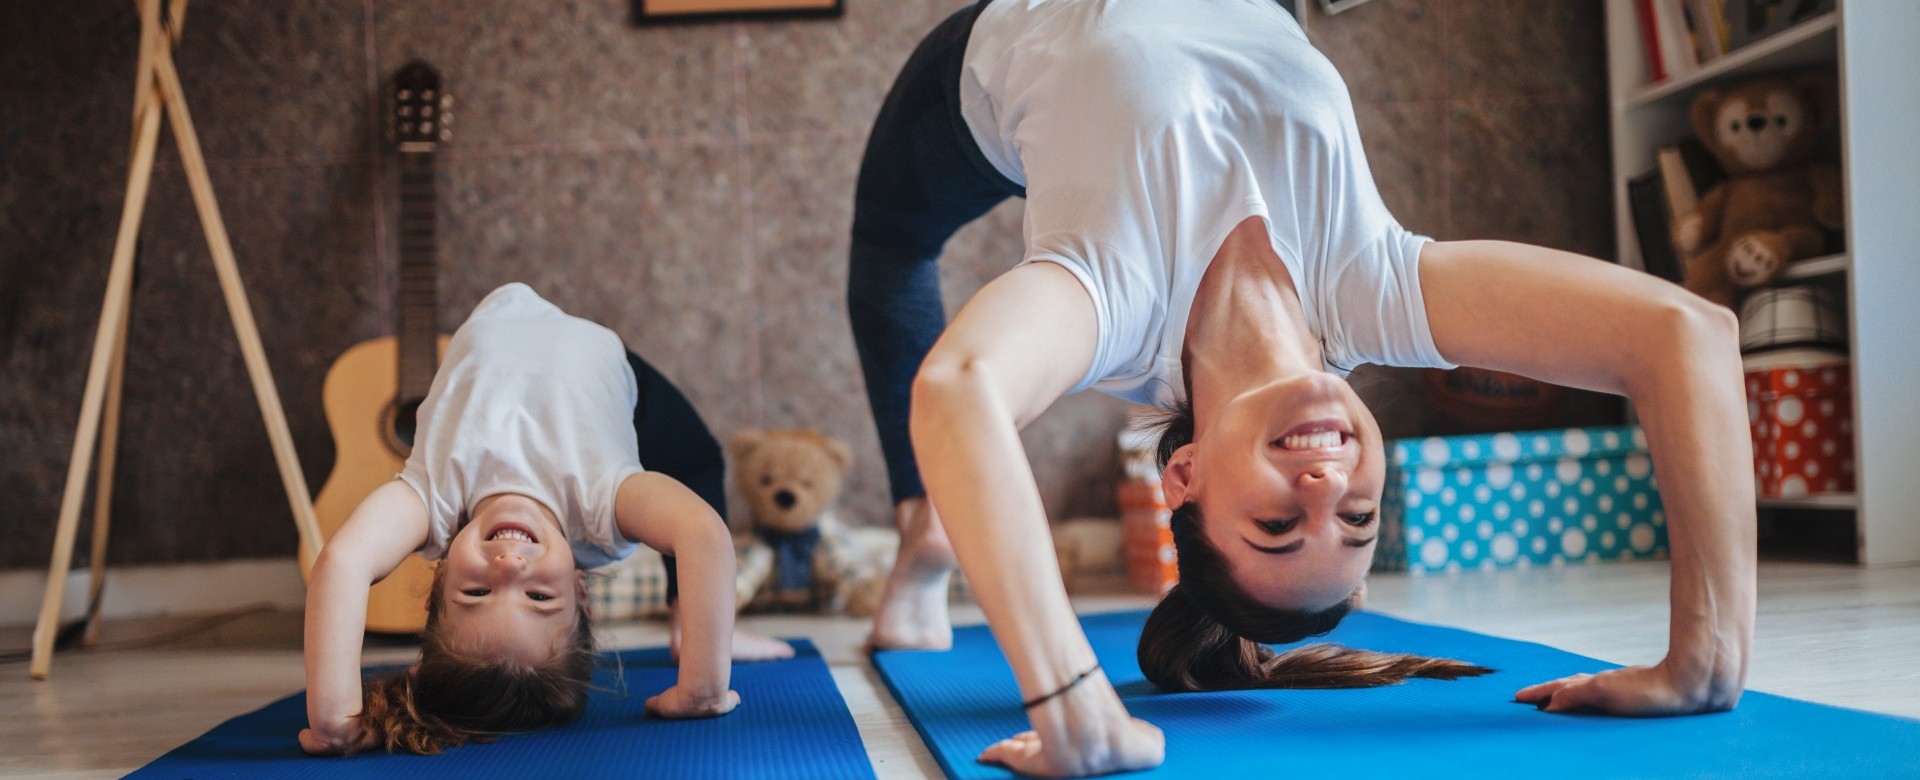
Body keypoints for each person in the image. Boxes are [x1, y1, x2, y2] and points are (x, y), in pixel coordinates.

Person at [848, 1, 1755, 775]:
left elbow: (960, 386)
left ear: (1186, 476)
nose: (1327, 493)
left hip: (1007, 41)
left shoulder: (1117, 306)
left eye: (1277, 526)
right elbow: (1687, 335)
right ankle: (939, 526)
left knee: (890, 254)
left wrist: (1072, 701)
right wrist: (1705, 661)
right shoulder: (1377, 289)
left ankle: (930, 523)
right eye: (1359, 521)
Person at [300, 283, 790, 756]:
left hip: (491, 327)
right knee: (696, 461)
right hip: (595, 355)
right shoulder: (603, 506)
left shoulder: (433, 502)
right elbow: (703, 533)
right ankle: (692, 618)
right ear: (581, 590)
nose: (510, 566)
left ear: (438, 578)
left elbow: (343, 562)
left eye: (476, 593)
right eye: (539, 596)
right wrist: (703, 685)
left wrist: (334, 717)